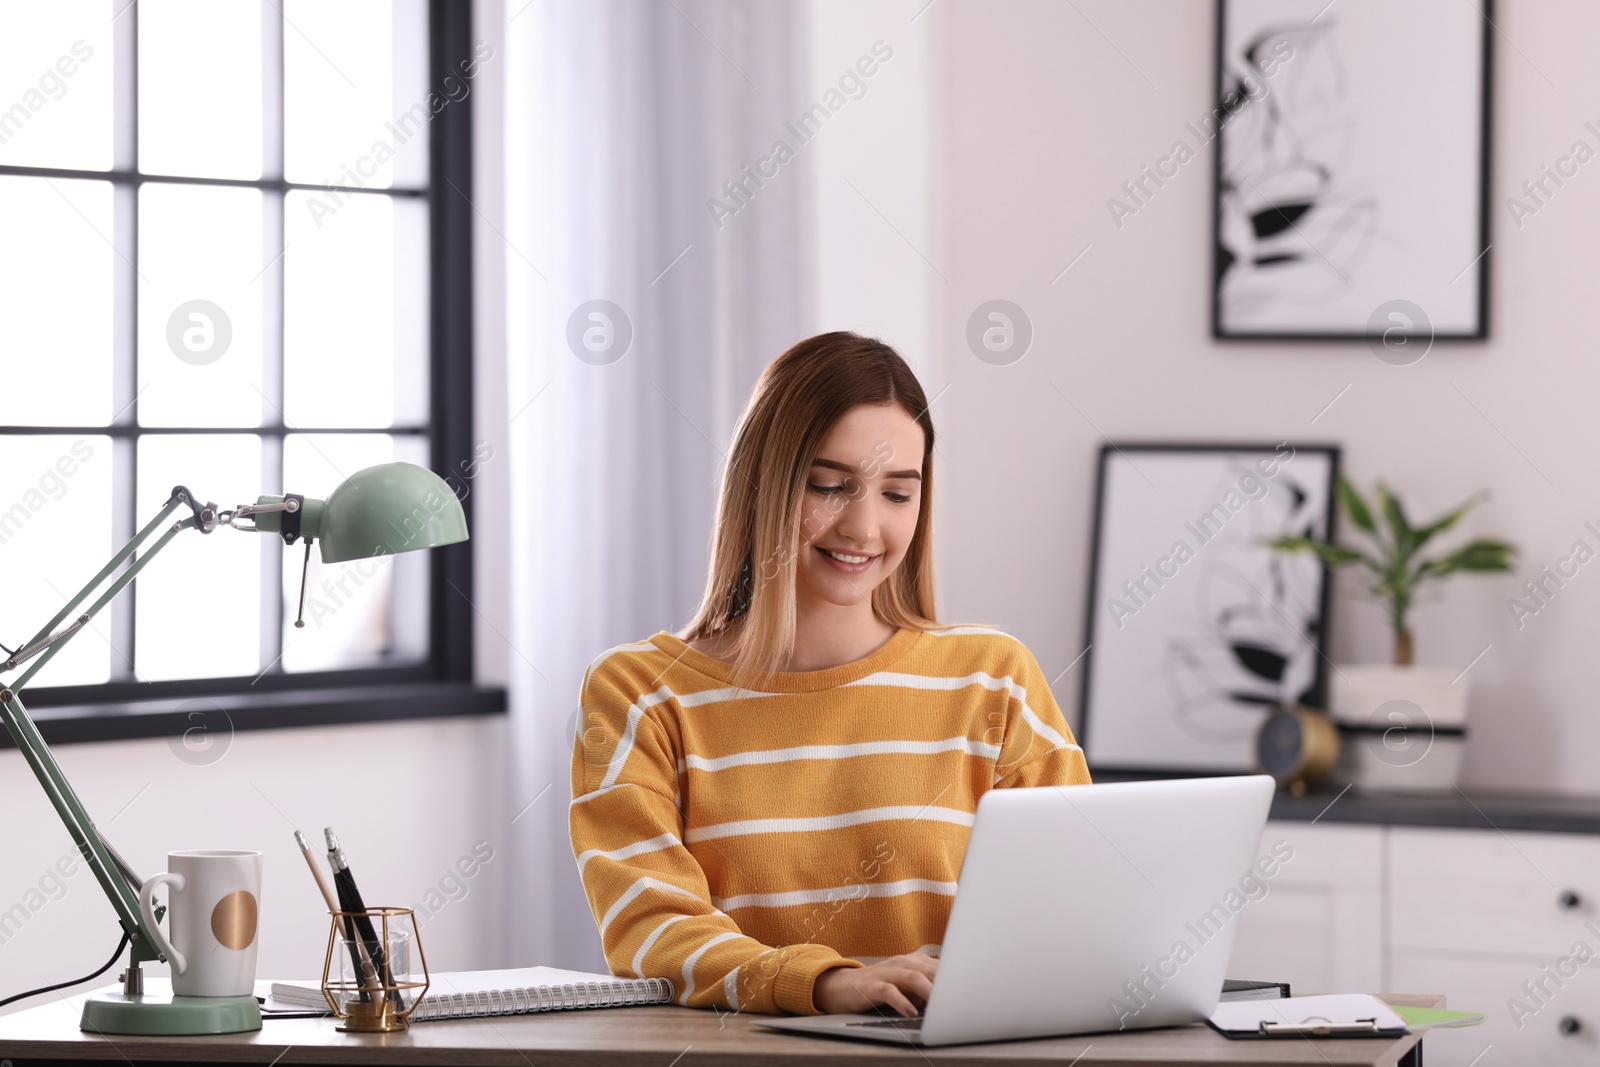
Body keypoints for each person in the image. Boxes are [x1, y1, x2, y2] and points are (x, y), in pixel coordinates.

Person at [569, 331, 1091, 1018]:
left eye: (898, 494)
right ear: (765, 480)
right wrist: (826, 982)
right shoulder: (640, 692)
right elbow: (651, 930)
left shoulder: (994, 678)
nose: (864, 526)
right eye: (829, 486)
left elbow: (1080, 901)